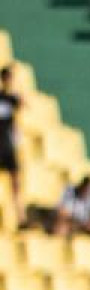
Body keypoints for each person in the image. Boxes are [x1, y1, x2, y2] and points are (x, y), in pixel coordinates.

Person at [0, 66, 22, 230]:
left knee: (16, 181)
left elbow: (23, 106)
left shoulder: (12, 98)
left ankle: (20, 215)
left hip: (8, 145)